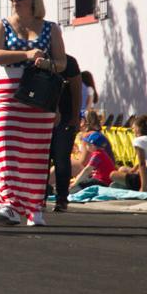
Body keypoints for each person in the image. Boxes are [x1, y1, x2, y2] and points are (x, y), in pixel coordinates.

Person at [0, 0, 67, 227]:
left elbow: (62, 63)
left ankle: (34, 207)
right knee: (5, 149)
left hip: (39, 94)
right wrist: (26, 54)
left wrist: (47, 63)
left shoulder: (51, 28)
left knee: (35, 154)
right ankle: (8, 203)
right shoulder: (2, 26)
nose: (14, 1)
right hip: (8, 94)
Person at [47, 53, 83, 212]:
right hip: (42, 115)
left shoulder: (68, 62)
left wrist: (75, 117)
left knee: (61, 158)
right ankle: (40, 196)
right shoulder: (37, 59)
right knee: (42, 158)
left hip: (65, 117)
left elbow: (76, 91)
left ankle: (62, 198)